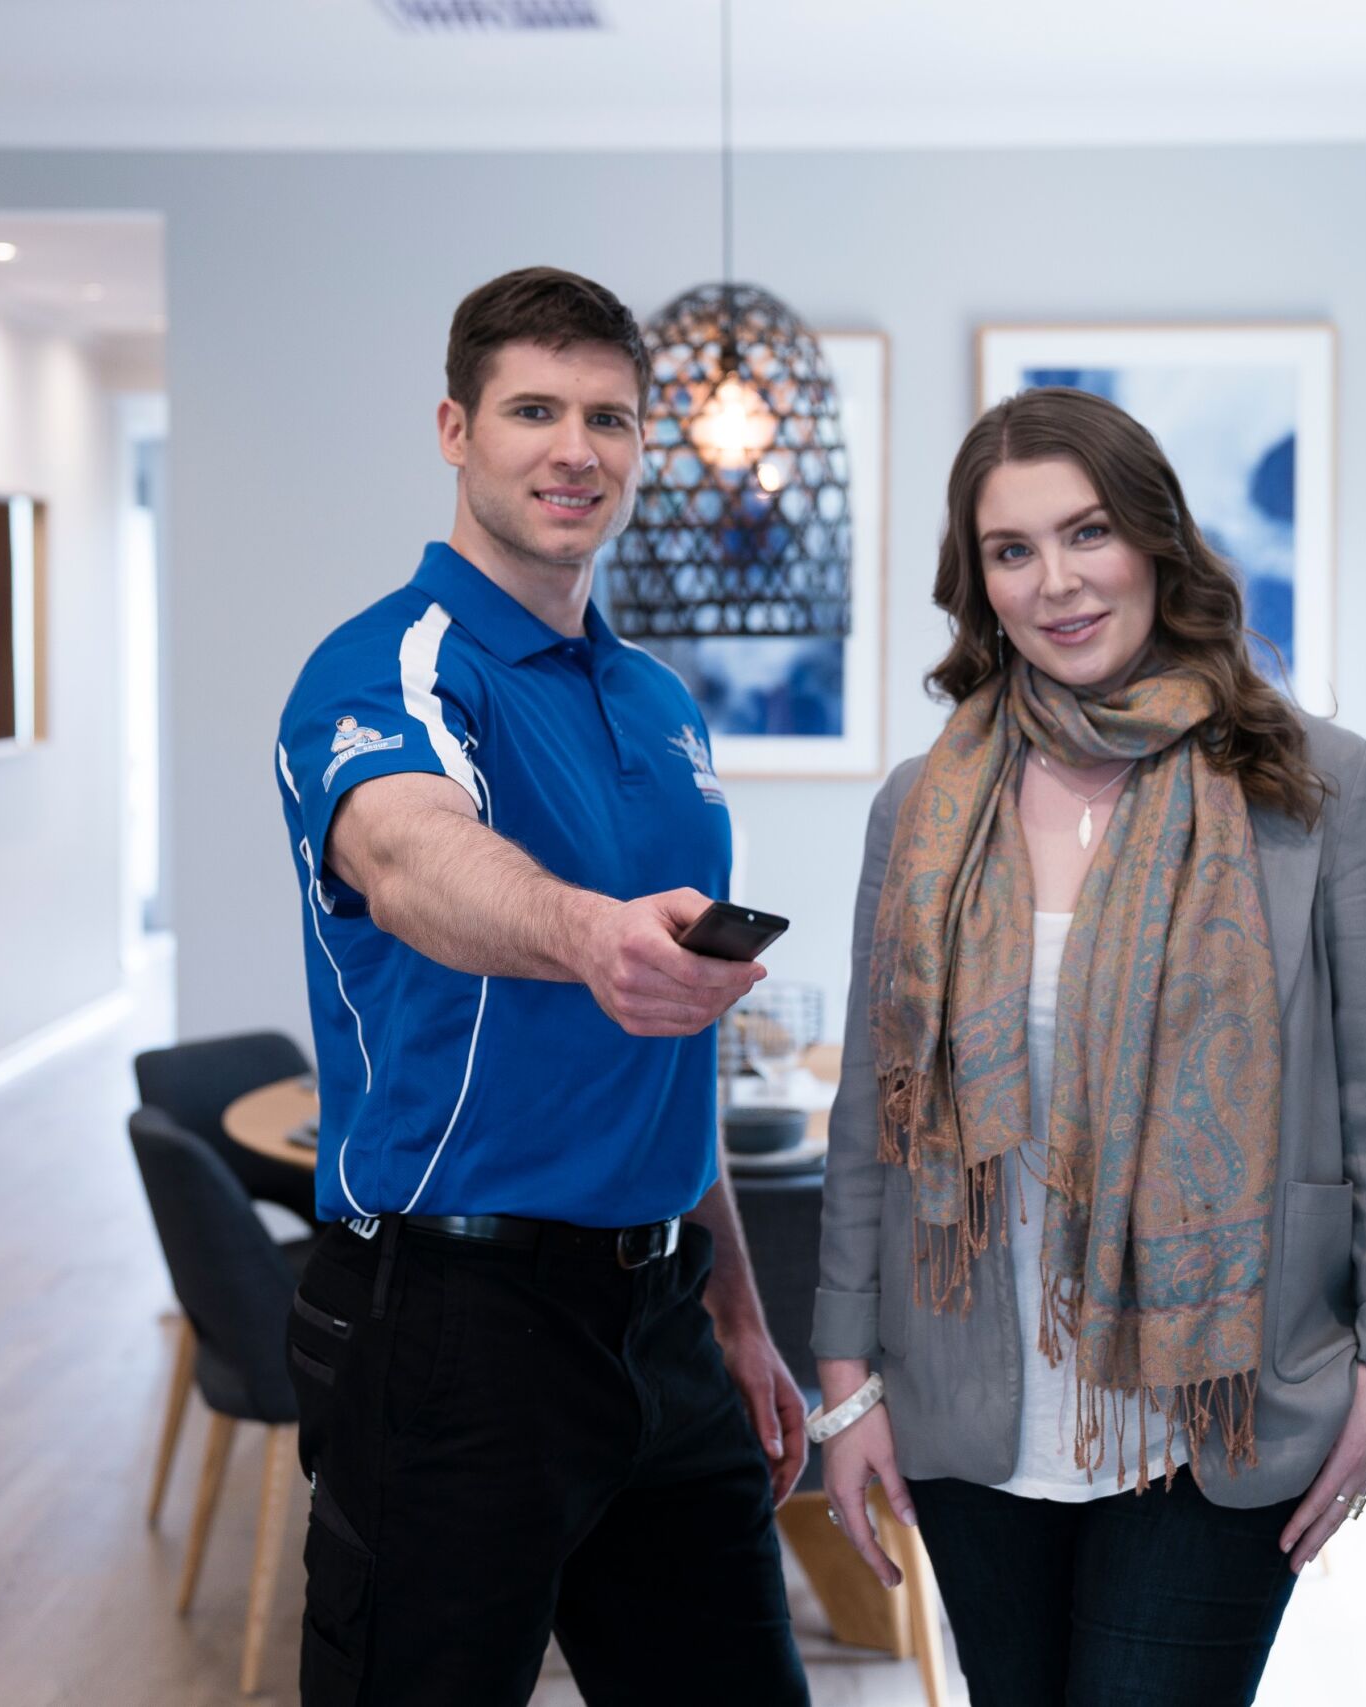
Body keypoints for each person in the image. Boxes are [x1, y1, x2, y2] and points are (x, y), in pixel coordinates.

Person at [809, 387, 1366, 1706]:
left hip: (1219, 1403)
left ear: (1155, 541)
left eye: (1087, 532)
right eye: (1013, 550)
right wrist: (844, 1386)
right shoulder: (920, 810)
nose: (1059, 582)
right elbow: (873, 1125)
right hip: (971, 1410)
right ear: (978, 584)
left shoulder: (1316, 787)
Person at [273, 266, 811, 1707]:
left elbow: (671, 1063)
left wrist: (742, 1317)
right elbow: (408, 855)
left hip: (663, 1315)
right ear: (455, 429)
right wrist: (588, 939)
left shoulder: (658, 702)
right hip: (454, 1325)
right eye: (532, 410)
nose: (574, 448)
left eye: (609, 418)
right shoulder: (387, 669)